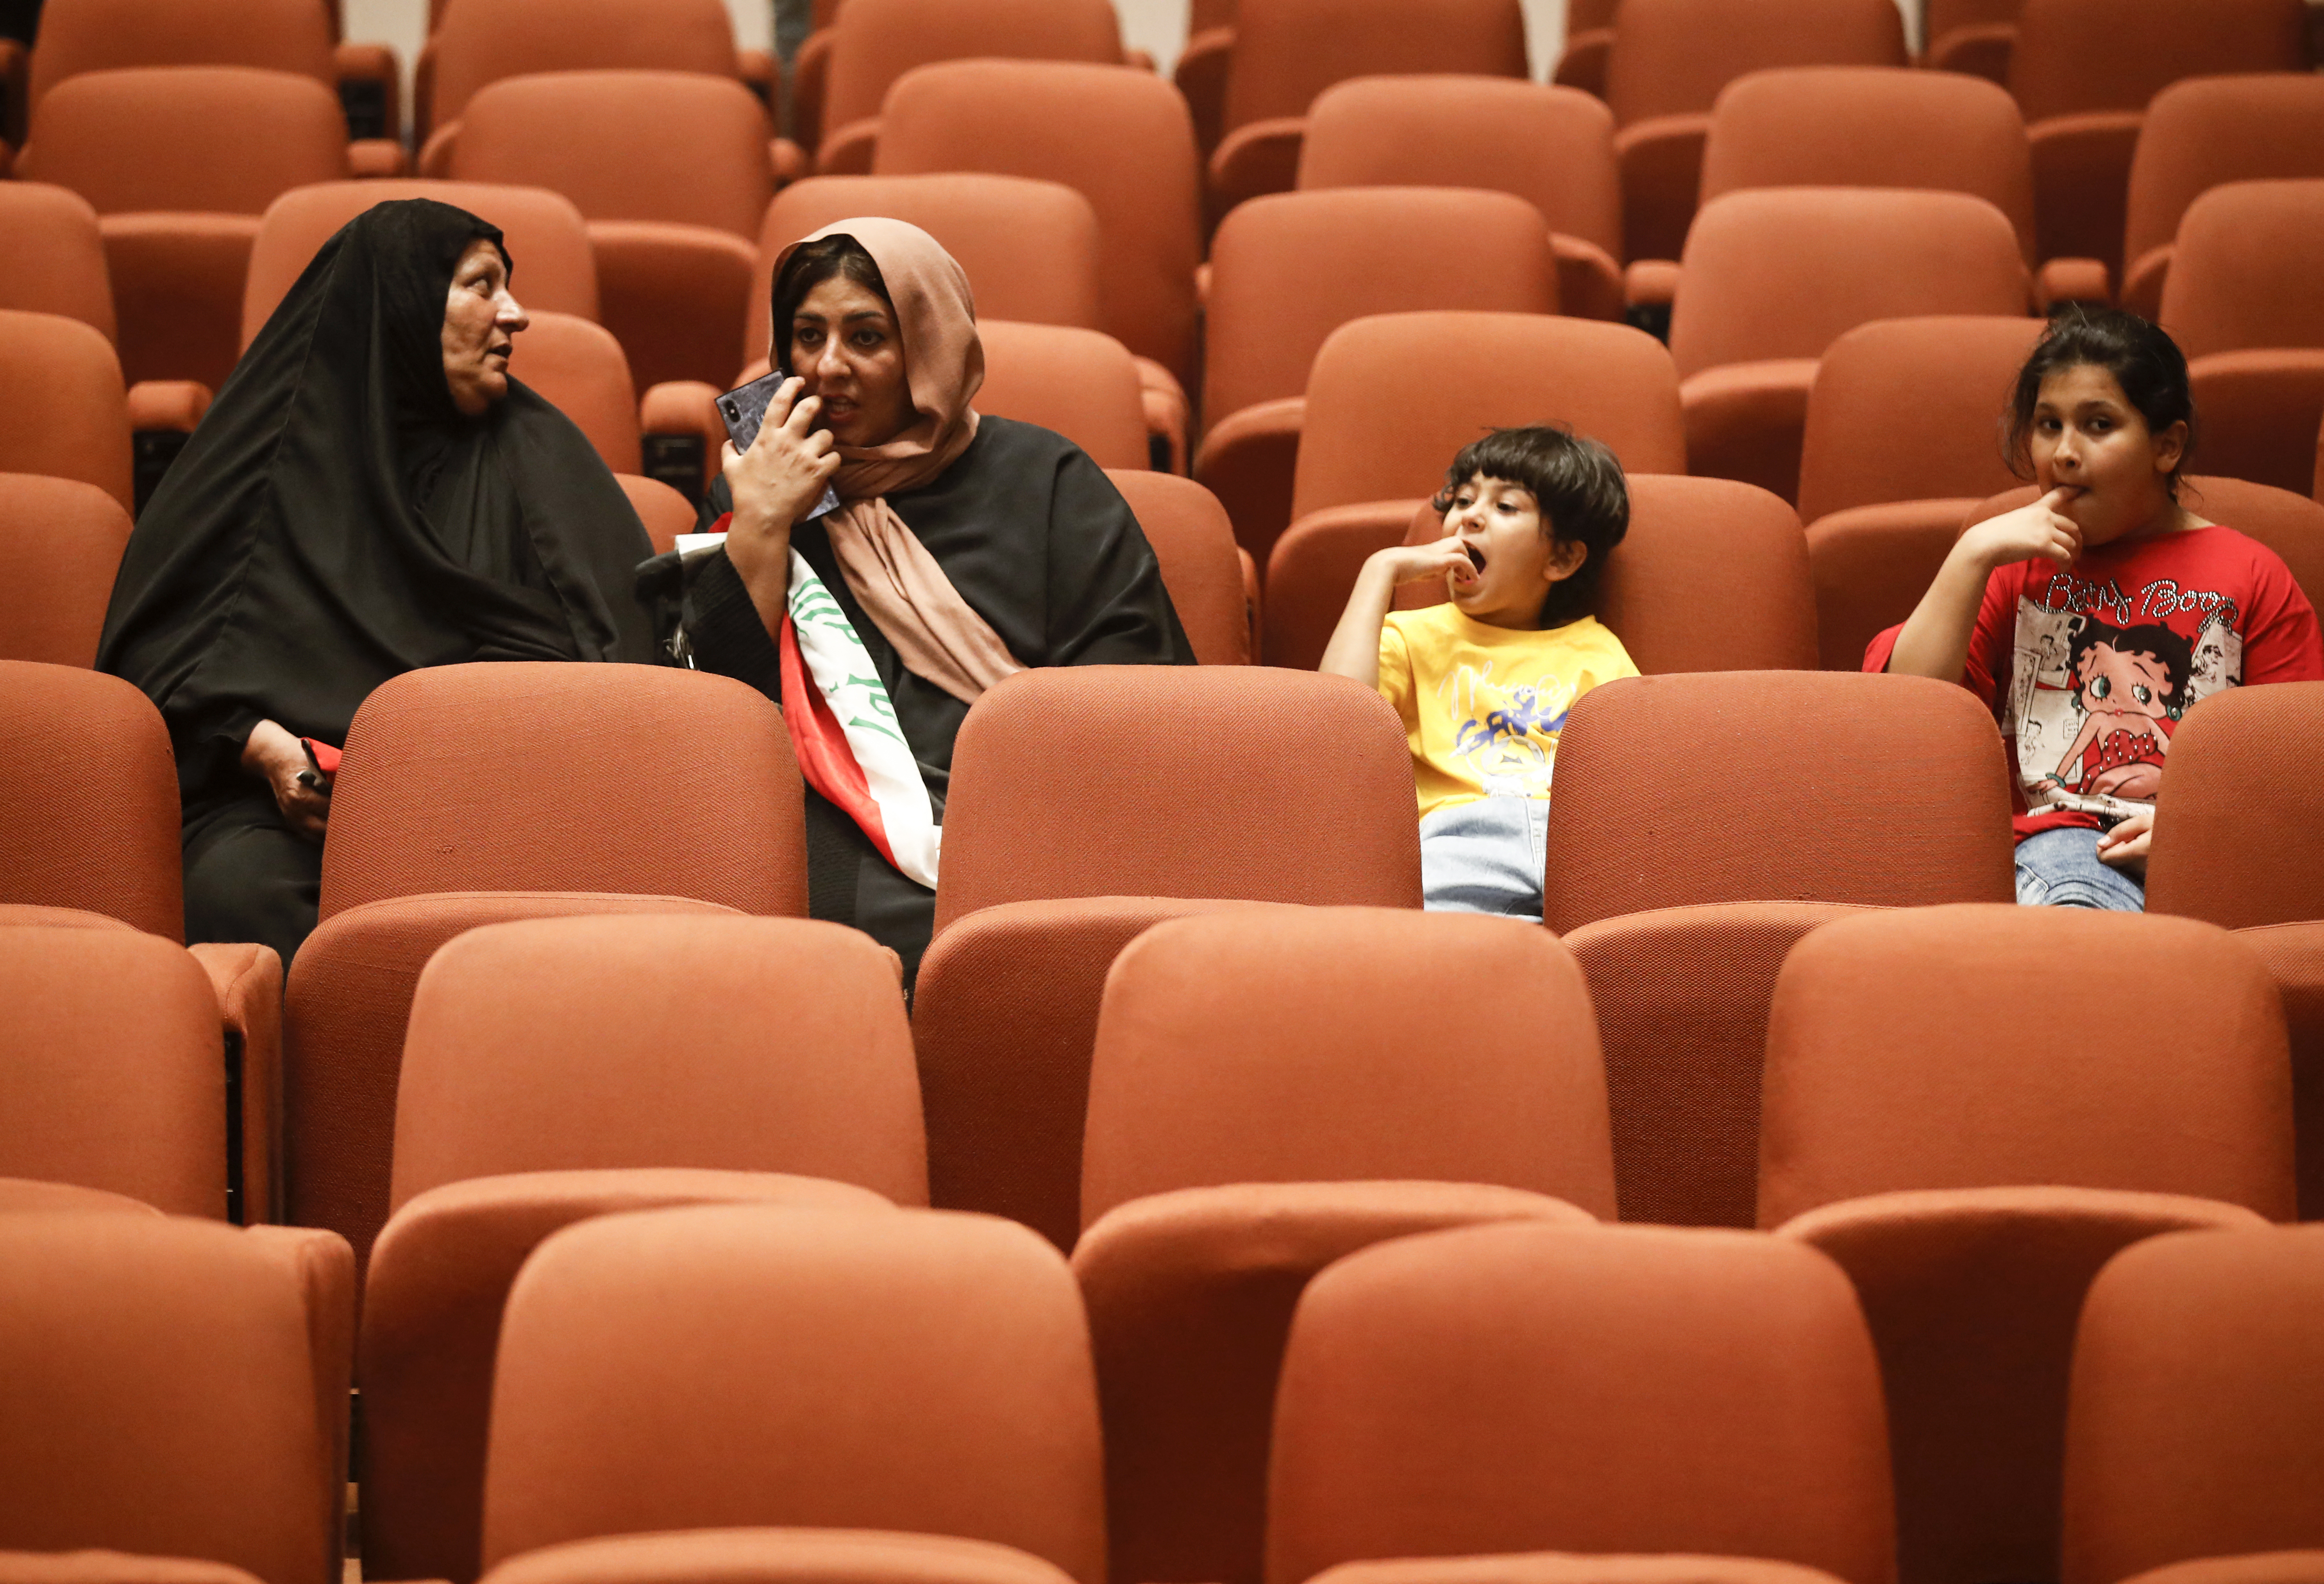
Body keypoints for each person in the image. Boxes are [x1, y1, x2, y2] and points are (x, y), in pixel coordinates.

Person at [98, 199, 659, 967]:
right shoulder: (263, 468)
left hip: (511, 808)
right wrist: (258, 746)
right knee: (234, 887)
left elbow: (629, 667)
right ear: (401, 306)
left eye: (508, 286)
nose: (516, 314)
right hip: (300, 828)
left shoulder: (540, 453)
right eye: (481, 285)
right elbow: (158, 676)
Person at [644, 217, 1194, 987]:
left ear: (929, 349)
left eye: (865, 337)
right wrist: (762, 524)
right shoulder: (758, 487)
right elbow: (712, 713)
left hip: (1019, 821)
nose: (827, 366)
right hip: (814, 827)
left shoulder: (1049, 485)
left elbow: (1138, 708)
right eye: (806, 336)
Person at [1872, 306, 2322, 909]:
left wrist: (2193, 835)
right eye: (2048, 425)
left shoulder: (2251, 574)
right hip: (2050, 853)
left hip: (2200, 863)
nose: (2063, 452)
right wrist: (1971, 553)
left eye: (2098, 425)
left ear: (2167, 445)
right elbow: (1906, 716)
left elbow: (2296, 770)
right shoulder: (2011, 568)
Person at [1319, 426, 1638, 922]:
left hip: (1576, 844)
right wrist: (1378, 571)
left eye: (1505, 507)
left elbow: (1630, 783)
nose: (1467, 515)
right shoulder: (1408, 635)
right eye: (1462, 500)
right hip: (1458, 839)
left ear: (1561, 557)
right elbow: (1334, 722)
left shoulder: (1599, 651)